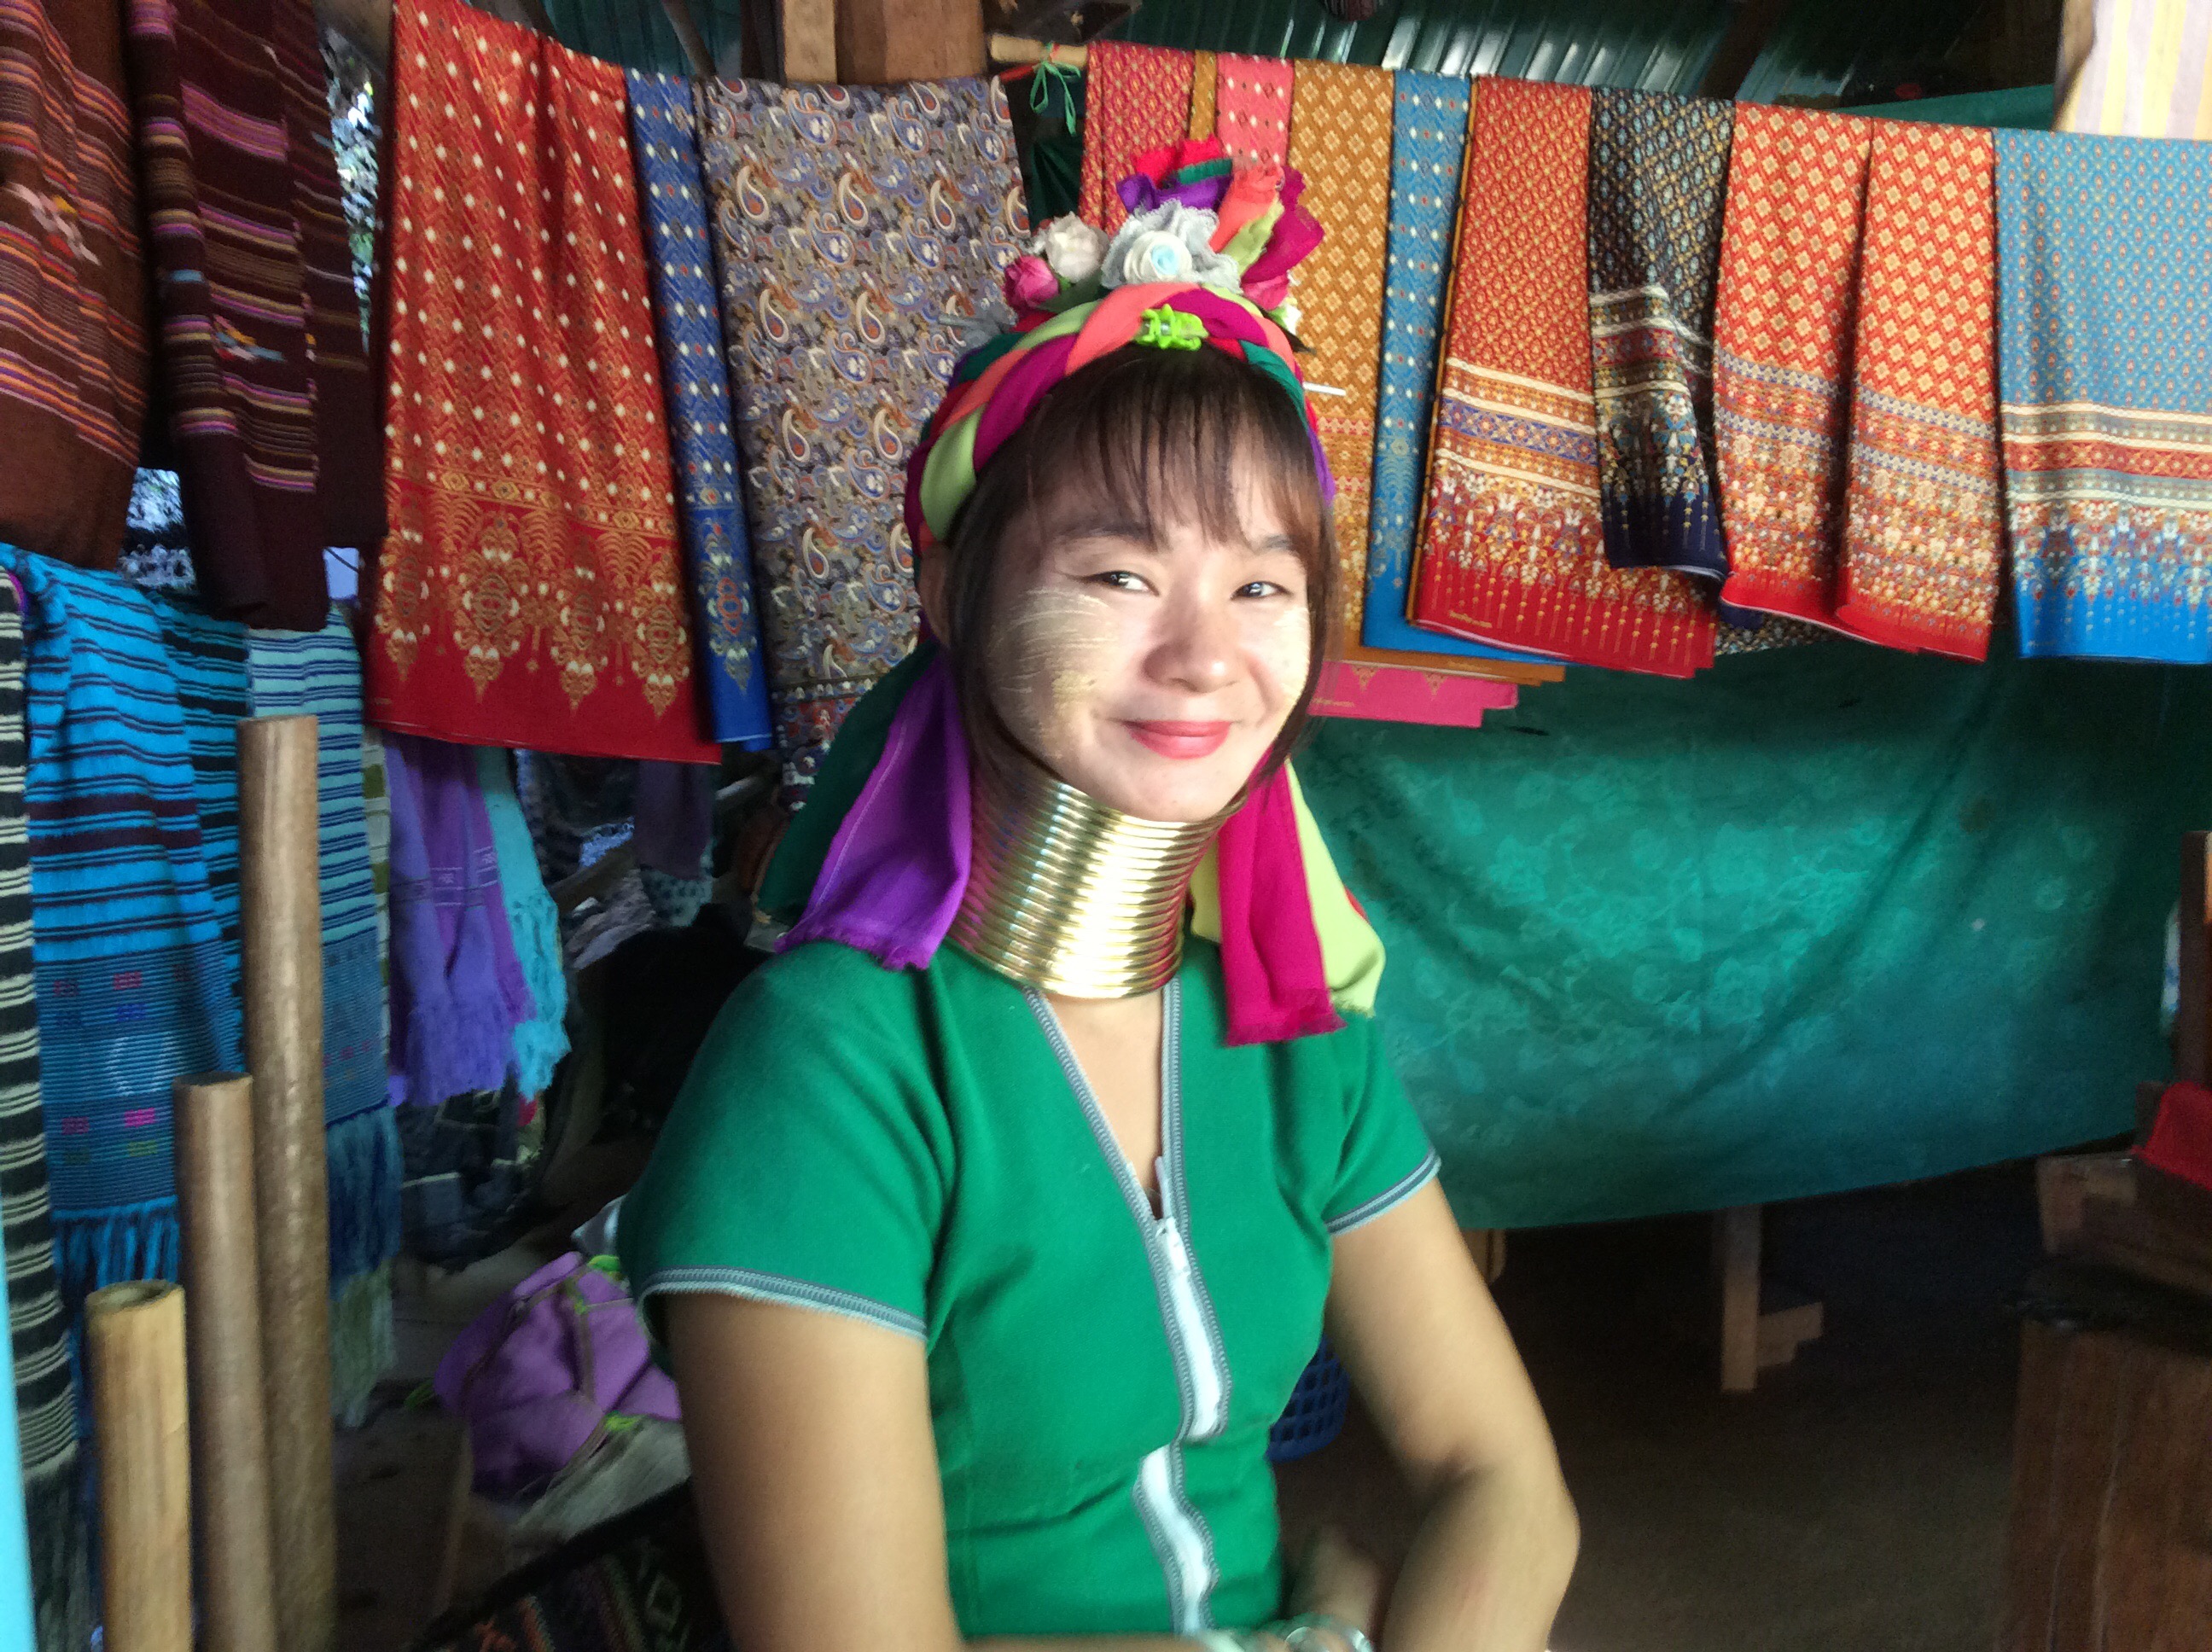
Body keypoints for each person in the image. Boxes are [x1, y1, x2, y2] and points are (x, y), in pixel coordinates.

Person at [618, 146, 1577, 1652]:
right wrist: (1324, 1642)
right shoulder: (831, 1072)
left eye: (1262, 585)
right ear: (951, 593)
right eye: (1122, 574)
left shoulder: (1298, 1039)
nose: (1206, 658)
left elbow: (1503, 1478)